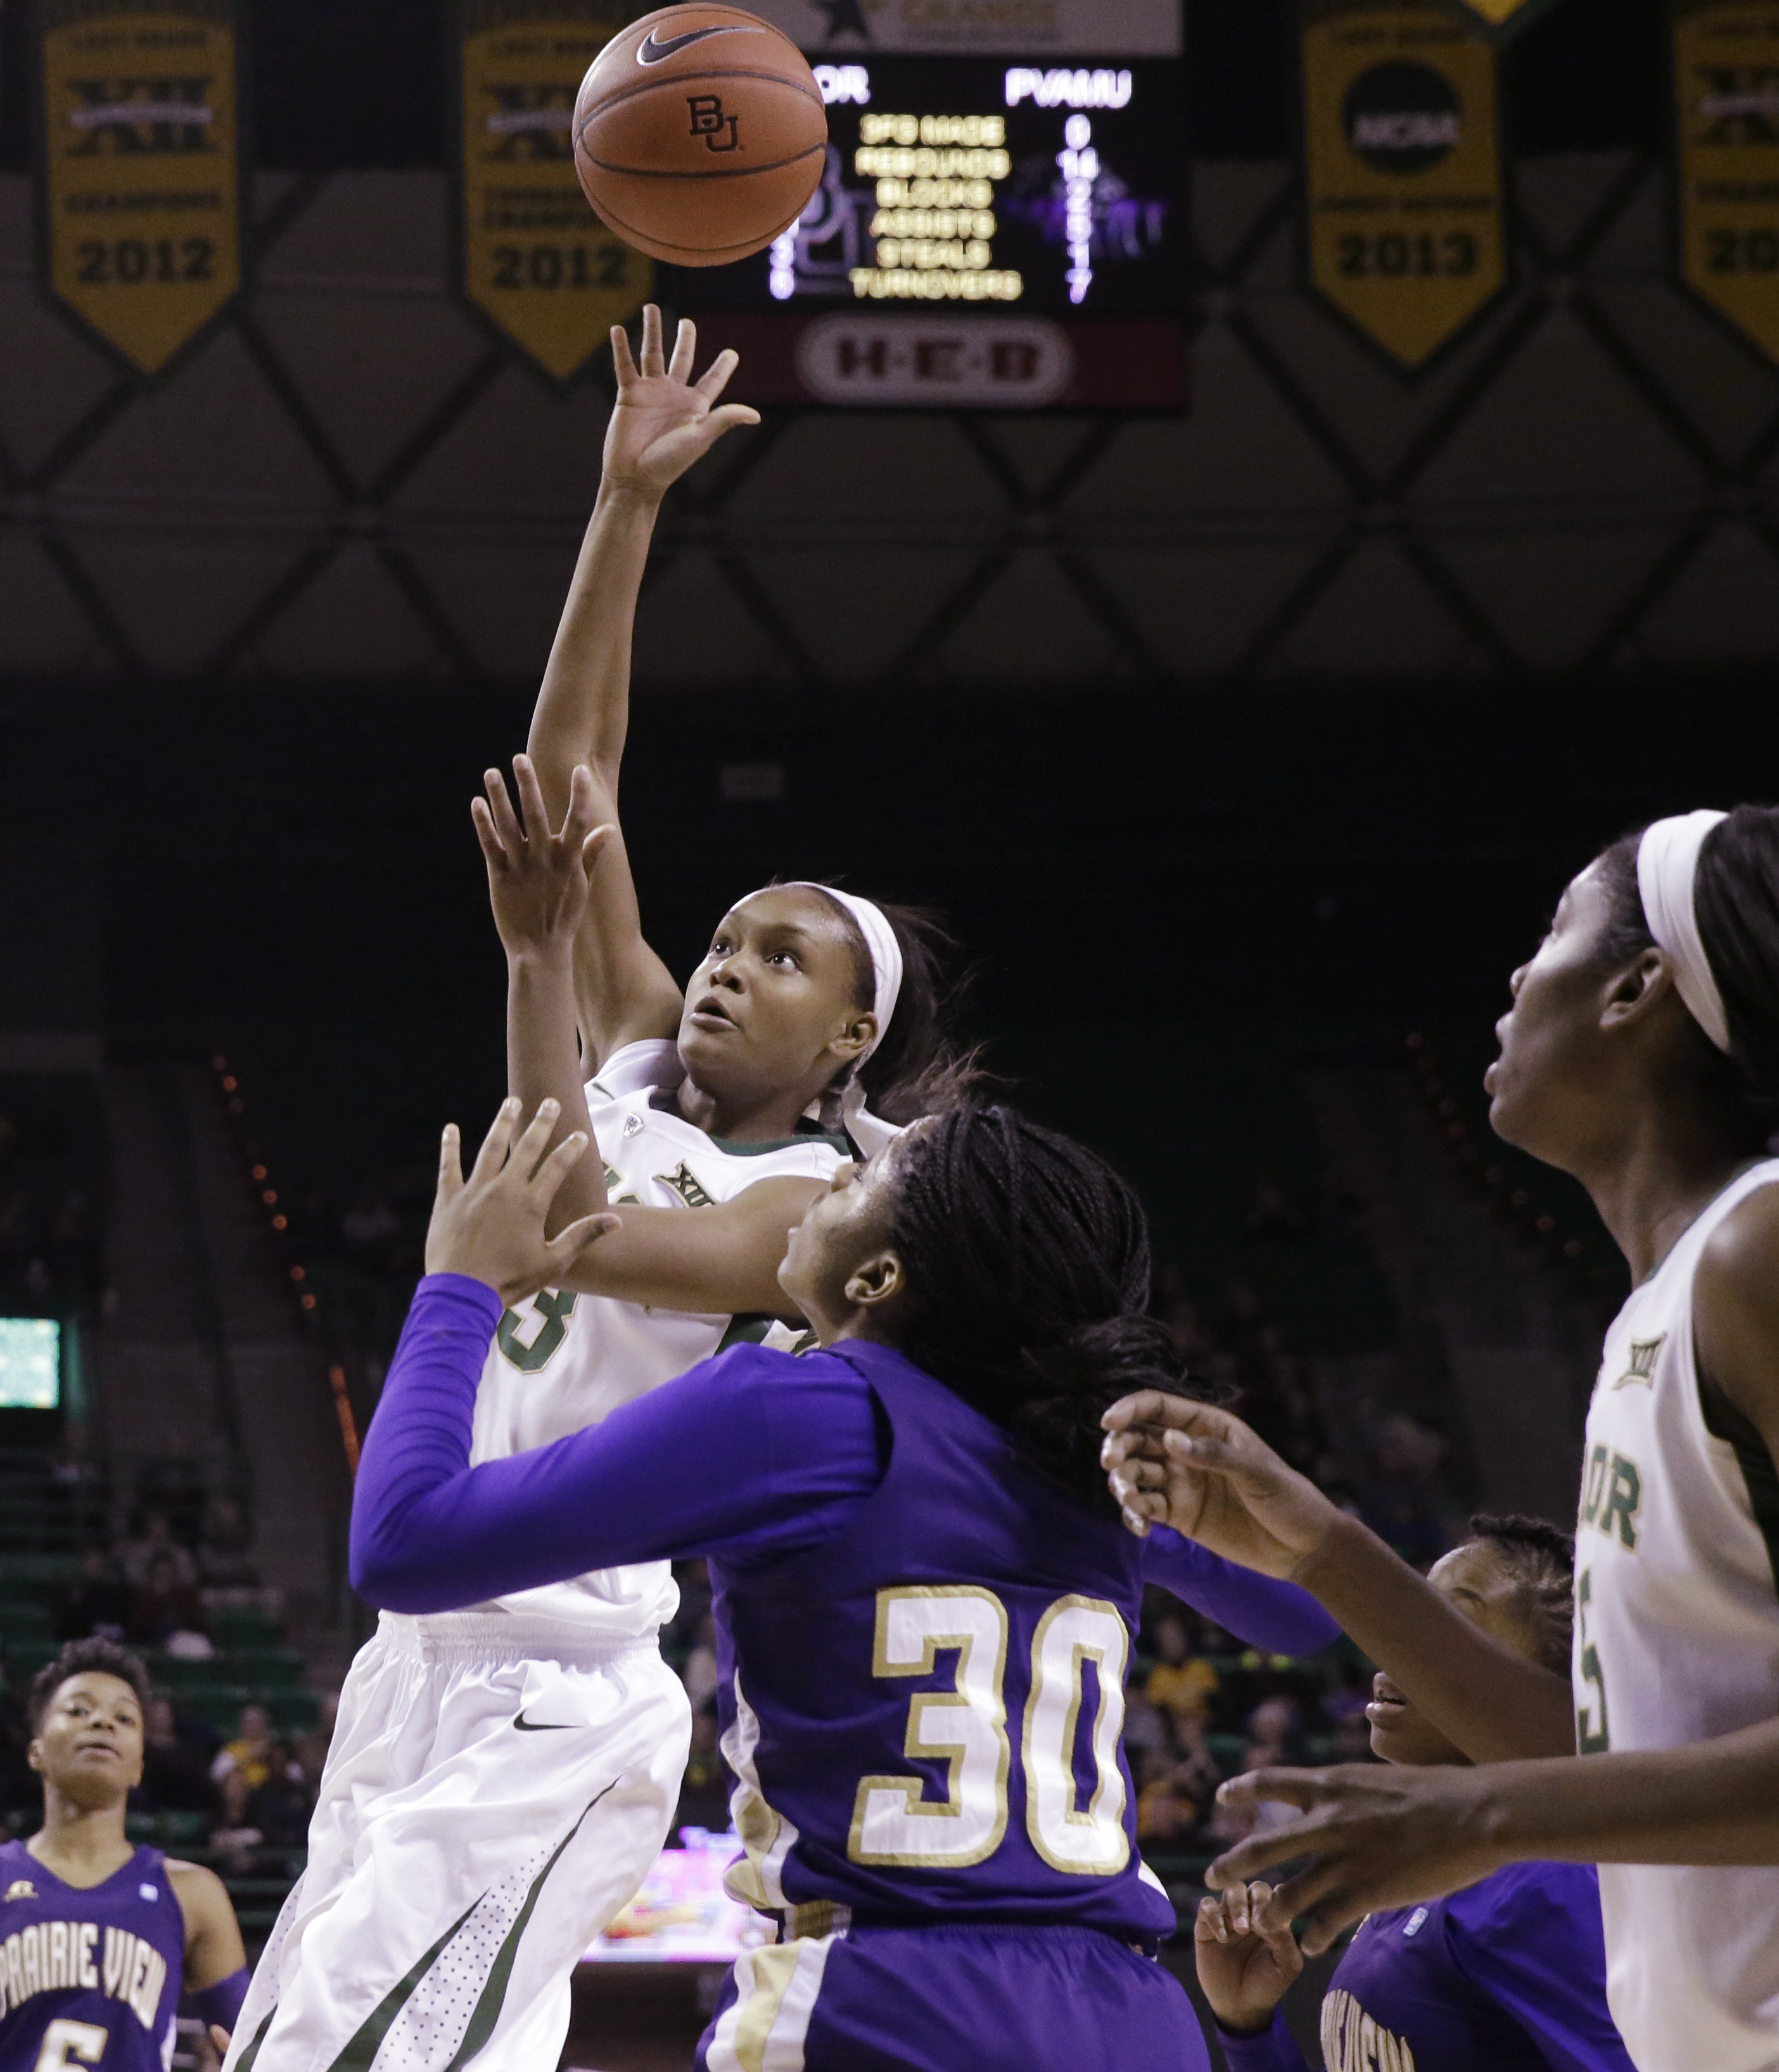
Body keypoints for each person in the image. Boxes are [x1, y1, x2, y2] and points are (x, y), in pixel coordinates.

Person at [227, 310, 983, 2072]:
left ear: (853, 1027)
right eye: (718, 938)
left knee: (353, 2047)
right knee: (302, 2034)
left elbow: (562, 1219)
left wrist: (535, 973)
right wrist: (623, 505)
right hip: (415, 1649)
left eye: (776, 957)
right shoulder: (641, 1056)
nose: (721, 966)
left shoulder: (826, 1206)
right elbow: (571, 791)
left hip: (565, 1682)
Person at [345, 1094, 1341, 2072]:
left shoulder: (804, 1410)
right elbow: (1305, 1612)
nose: (828, 1174)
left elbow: (402, 1545)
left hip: (886, 1998)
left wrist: (459, 1287)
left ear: (876, 1276)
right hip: (1132, 2015)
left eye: (859, 1176)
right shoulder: (1078, 1452)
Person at [1104, 807, 1779, 2072]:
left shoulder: (1760, 1249)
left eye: (1557, 931)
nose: (1521, 974)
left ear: (1641, 987)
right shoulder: (1666, 1302)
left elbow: (1536, 1787)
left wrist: (1480, 1808)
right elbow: (1603, 1776)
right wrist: (1321, 1548)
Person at [1197, 1516, 1635, 2072]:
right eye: (1414, 1614)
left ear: (1541, 1684)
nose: (1400, 1643)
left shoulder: (1538, 1879)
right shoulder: (1426, 1873)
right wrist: (1248, 2027)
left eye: (1449, 1624)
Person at [0, 1638, 249, 2066]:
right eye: (78, 1711)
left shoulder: (193, 1894)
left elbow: (253, 2051)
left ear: (138, 1765)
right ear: (36, 1750)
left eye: (124, 1718)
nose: (102, 1722)